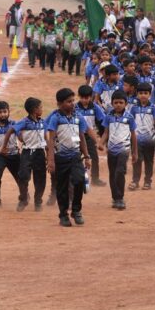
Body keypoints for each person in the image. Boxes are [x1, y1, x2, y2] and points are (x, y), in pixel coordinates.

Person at [47, 88, 91, 227]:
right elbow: (51, 140)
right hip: (60, 158)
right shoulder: (56, 118)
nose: (72, 104)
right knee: (62, 187)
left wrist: (87, 155)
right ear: (59, 104)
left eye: (73, 101)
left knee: (79, 181)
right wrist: (51, 161)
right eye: (68, 102)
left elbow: (82, 137)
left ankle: (76, 210)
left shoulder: (78, 117)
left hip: (75, 157)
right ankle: (63, 215)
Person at [2, 97, 47, 212]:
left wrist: (48, 150)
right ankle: (23, 199)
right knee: (23, 177)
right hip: (27, 152)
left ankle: (38, 201)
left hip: (40, 153)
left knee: (40, 179)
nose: (42, 109)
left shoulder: (42, 122)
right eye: (40, 107)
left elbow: (45, 137)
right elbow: (10, 131)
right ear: (34, 109)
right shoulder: (25, 122)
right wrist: (4, 146)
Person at [98, 90, 138, 210]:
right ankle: (115, 198)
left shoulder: (129, 117)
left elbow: (133, 135)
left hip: (124, 149)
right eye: (116, 102)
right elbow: (106, 132)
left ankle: (120, 197)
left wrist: (135, 151)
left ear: (125, 103)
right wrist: (101, 142)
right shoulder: (108, 117)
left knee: (119, 172)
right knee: (112, 174)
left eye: (121, 102)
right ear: (112, 103)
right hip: (111, 150)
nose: (118, 105)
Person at [129, 83, 155, 191]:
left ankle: (148, 181)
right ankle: (135, 181)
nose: (143, 95)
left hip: (150, 139)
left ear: (149, 94)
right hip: (136, 139)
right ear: (137, 94)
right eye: (140, 93)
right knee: (136, 160)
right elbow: (130, 123)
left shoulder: (154, 108)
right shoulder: (134, 108)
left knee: (149, 161)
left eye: (145, 93)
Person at [0, 101, 20, 208]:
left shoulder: (14, 124)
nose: (2, 114)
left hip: (14, 155)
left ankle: (24, 195)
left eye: (4, 111)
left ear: (9, 112)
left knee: (19, 177)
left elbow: (20, 136)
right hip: (0, 155)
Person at [76, 85, 107, 187]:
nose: (85, 100)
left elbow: (103, 119)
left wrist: (101, 138)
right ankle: (77, 178)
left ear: (91, 97)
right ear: (79, 96)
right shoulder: (75, 108)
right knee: (76, 157)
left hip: (90, 137)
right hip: (77, 137)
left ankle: (95, 178)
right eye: (82, 98)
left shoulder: (94, 107)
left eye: (87, 98)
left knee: (94, 157)